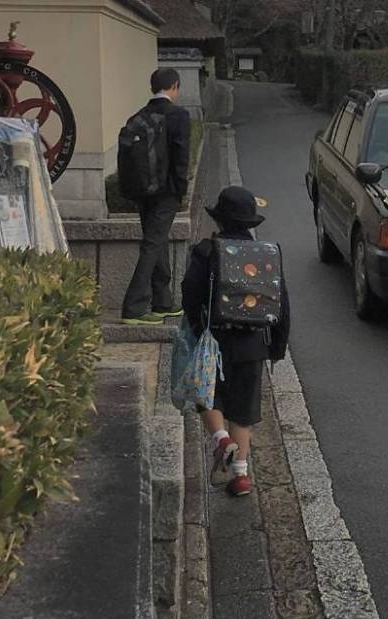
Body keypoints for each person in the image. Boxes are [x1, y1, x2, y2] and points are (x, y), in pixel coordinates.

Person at [181, 186, 290, 496]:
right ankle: (241, 477)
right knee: (242, 411)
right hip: (253, 345)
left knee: (205, 394)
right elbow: (282, 303)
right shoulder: (267, 254)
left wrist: (197, 325)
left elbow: (190, 290)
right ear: (250, 223)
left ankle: (220, 440)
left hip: (215, 339)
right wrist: (276, 347)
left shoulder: (206, 251)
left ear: (220, 220)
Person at [121, 68, 191, 325]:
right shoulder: (178, 116)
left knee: (157, 240)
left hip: (142, 190)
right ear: (175, 86)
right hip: (166, 191)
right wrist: (181, 190)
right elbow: (181, 157)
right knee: (152, 244)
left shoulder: (138, 116)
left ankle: (163, 302)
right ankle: (134, 307)